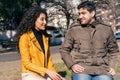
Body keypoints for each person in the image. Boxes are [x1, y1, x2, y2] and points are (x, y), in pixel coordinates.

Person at [60, 1, 119, 80]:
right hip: (82, 70)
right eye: (79, 14)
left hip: (102, 69)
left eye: (83, 13)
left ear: (92, 13)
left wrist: (112, 67)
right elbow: (64, 50)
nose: (80, 16)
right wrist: (72, 65)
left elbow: (114, 51)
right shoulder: (74, 29)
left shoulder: (106, 29)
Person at [16, 4, 62, 80]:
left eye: (46, 19)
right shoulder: (24, 37)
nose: (45, 22)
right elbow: (26, 63)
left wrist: (54, 74)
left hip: (44, 73)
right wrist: (45, 70)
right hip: (30, 74)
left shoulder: (45, 37)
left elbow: (49, 60)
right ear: (34, 20)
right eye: (42, 19)